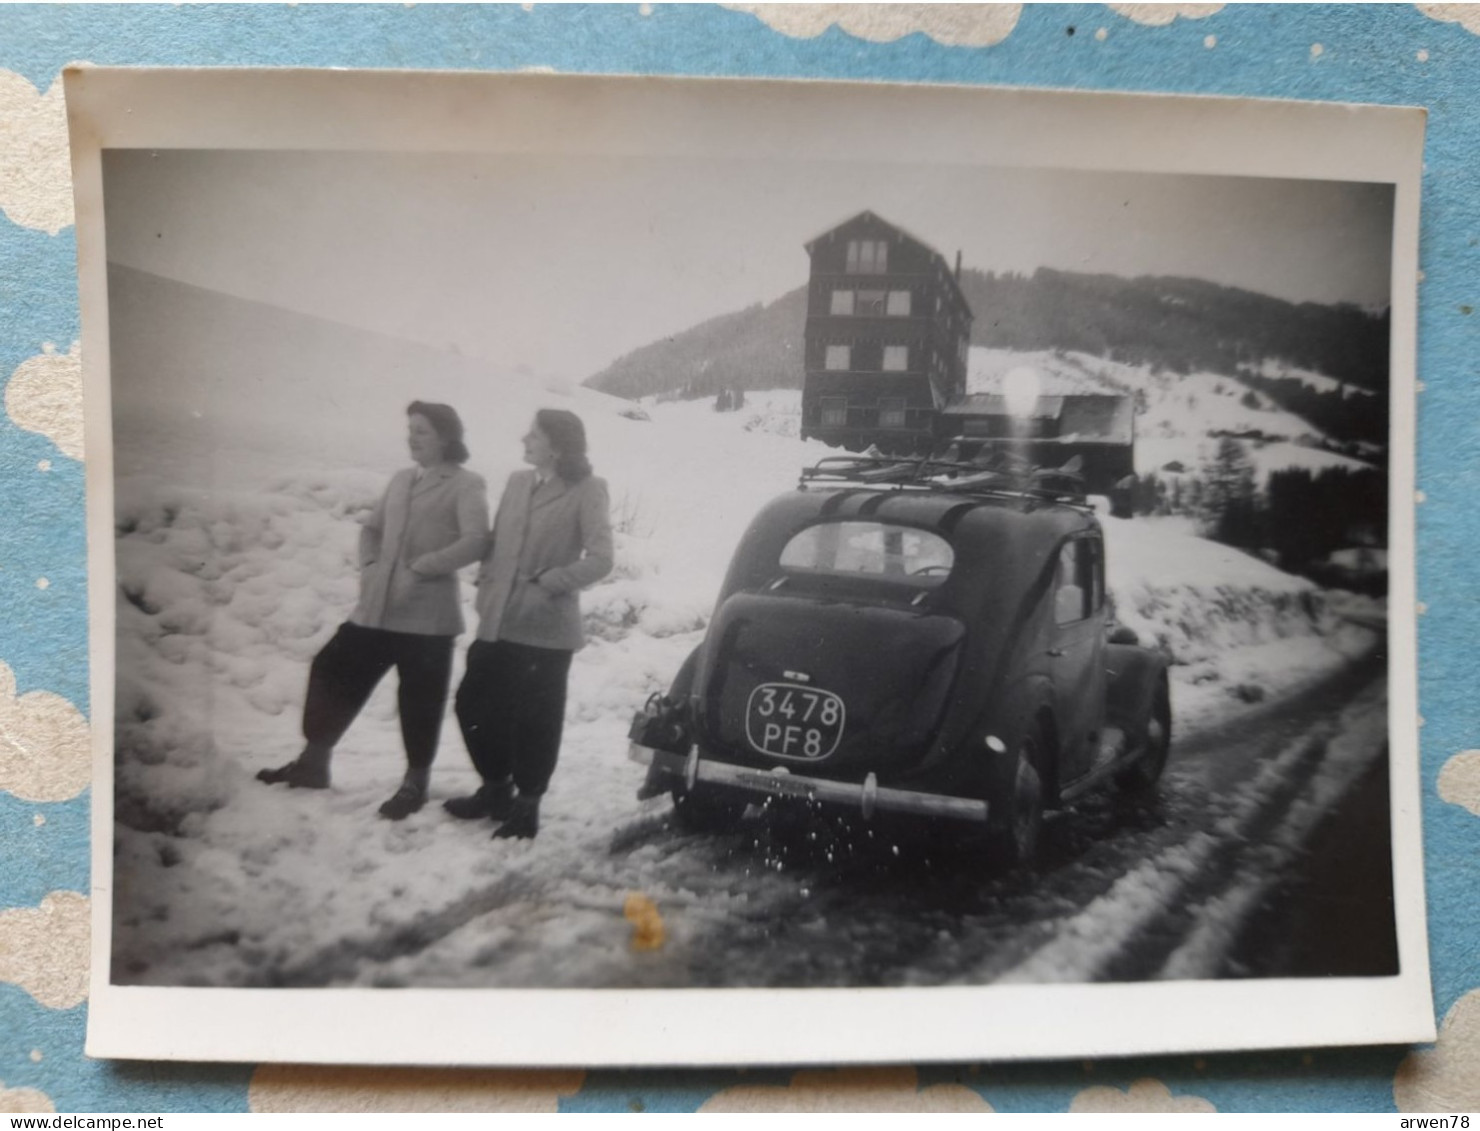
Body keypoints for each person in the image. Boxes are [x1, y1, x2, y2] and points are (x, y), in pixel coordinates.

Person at [257, 401, 489, 820]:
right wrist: (369, 566)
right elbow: (372, 530)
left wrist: (423, 566)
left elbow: (476, 541)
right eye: (410, 430)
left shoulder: (466, 484)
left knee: (420, 699)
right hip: (377, 607)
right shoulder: (401, 480)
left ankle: (415, 783)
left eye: (421, 431)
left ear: (445, 438)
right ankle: (314, 762)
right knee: (331, 668)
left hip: (427, 617)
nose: (411, 438)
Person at [447, 409, 613, 839]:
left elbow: (601, 558)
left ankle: (528, 804)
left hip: (545, 628)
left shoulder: (588, 490)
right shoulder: (518, 482)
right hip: (499, 619)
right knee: (473, 705)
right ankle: (496, 788)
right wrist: (486, 585)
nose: (524, 440)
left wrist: (553, 582)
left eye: (533, 435)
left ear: (557, 445)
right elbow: (499, 542)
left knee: (535, 720)